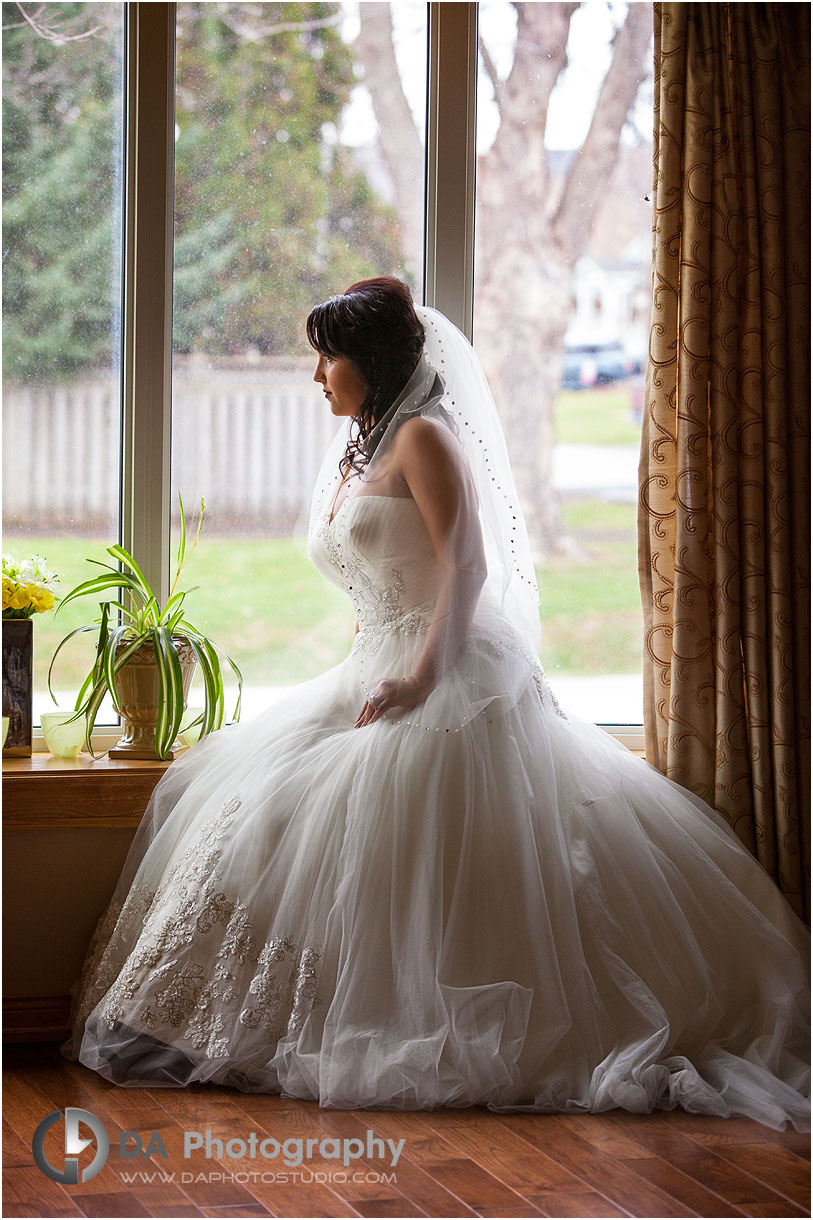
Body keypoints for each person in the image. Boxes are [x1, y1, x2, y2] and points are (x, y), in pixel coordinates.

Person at [61, 277, 810, 1132]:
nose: (316, 376)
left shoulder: (424, 439)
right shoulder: (361, 449)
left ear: (371, 363)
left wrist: (420, 677)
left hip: (444, 670)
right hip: (372, 663)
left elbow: (466, 568)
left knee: (413, 845)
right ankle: (227, 1022)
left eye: (327, 356)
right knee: (249, 811)